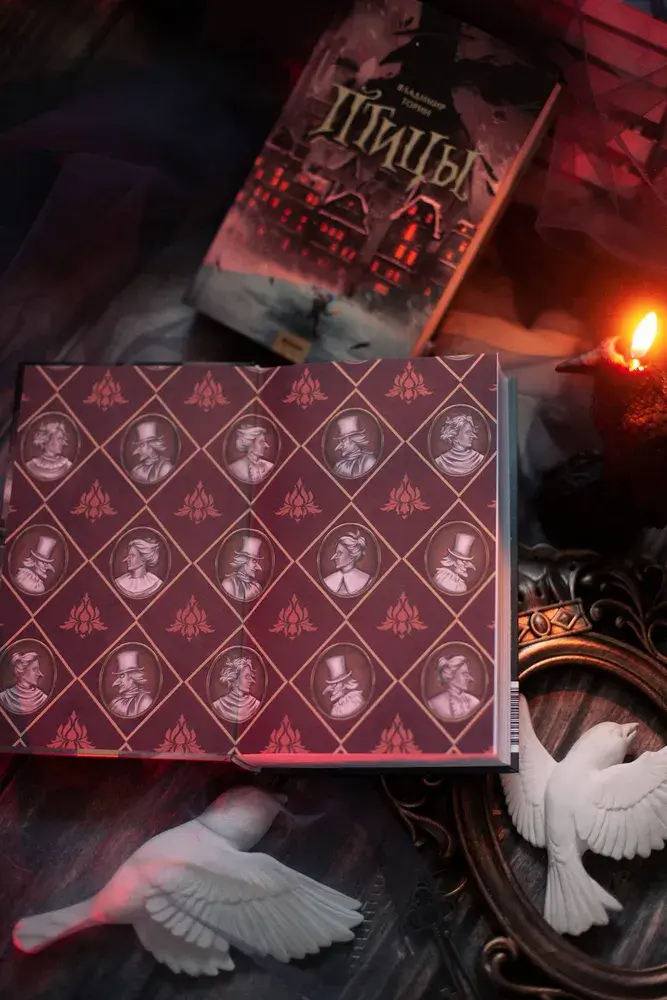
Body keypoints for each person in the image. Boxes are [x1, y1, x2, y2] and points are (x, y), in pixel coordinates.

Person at [427, 653, 480, 722]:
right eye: (464, 674)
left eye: (468, 674)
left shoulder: (475, 702)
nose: (470, 679)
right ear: (450, 676)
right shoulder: (434, 704)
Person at [212, 654, 261, 724]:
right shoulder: (218, 705)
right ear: (235, 680)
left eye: (251, 676)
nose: (252, 681)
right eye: (247, 676)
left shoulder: (256, 705)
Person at [322, 530, 372, 596]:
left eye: (339, 553)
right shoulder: (327, 580)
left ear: (351, 556)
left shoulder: (367, 581)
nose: (333, 558)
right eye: (336, 553)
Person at [435, 413, 485, 477]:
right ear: (455, 436)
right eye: (468, 432)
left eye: (471, 432)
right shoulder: (440, 461)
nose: (472, 436)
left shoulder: (479, 459)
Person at [108, 649, 154, 719]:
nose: (116, 683)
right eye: (118, 677)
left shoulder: (145, 702)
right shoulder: (114, 704)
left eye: (122, 676)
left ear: (132, 676)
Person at [0, 650, 48, 714]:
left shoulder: (42, 698)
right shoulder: (4, 697)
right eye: (34, 669)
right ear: (22, 672)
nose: (40, 674)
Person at [331, 414, 377, 479]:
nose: (339, 446)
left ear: (353, 440)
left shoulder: (368, 461)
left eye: (343, 441)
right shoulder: (338, 466)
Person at [321, 654, 365, 719]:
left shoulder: (355, 699)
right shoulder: (337, 706)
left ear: (344, 683)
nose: (333, 688)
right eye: (333, 684)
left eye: (336, 683)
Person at [221, 536, 265, 601]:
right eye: (254, 561)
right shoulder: (228, 584)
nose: (259, 568)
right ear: (244, 560)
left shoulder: (257, 587)